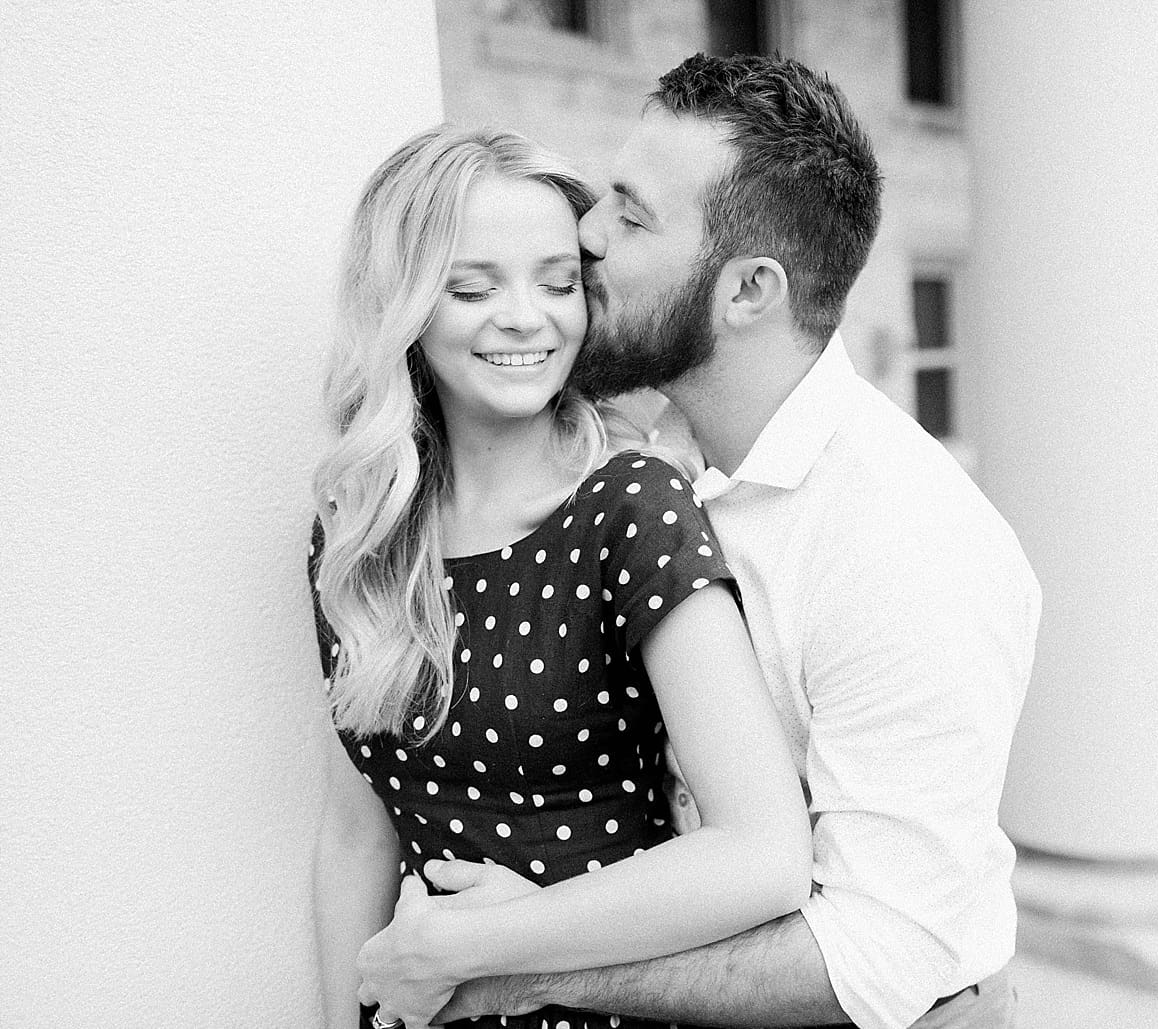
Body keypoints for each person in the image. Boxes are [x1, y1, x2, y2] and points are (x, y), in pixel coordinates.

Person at [367, 54, 1042, 1029]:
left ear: (747, 291)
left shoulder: (905, 543)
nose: (587, 236)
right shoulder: (651, 446)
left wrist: (522, 966)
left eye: (633, 218)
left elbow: (880, 958)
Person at [306, 125, 813, 1029]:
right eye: (472, 288)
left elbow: (763, 853)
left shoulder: (631, 507)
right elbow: (358, 831)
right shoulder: (360, 532)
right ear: (403, 307)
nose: (525, 316)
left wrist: (478, 946)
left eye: (557, 281)